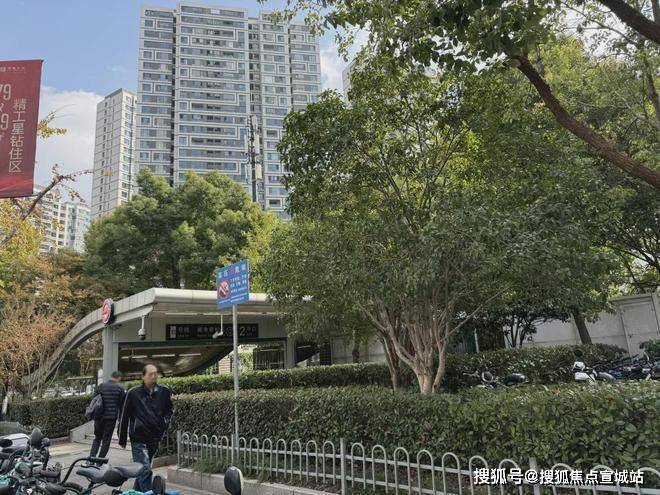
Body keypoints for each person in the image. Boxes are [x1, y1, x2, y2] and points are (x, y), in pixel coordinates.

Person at [118, 364, 173, 492]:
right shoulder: (133, 393)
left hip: (155, 437)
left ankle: (134, 493)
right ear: (143, 376)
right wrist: (122, 438)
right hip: (138, 438)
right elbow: (124, 416)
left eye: (155, 373)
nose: (153, 376)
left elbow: (169, 411)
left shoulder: (164, 392)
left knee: (141, 472)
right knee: (145, 470)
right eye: (150, 374)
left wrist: (164, 423)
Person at [90, 370, 126, 459]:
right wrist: (120, 419)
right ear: (119, 378)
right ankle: (100, 461)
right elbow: (122, 406)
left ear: (111, 376)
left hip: (99, 417)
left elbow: (93, 401)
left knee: (97, 438)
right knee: (106, 440)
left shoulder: (101, 386)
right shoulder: (120, 388)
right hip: (111, 418)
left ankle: (91, 459)